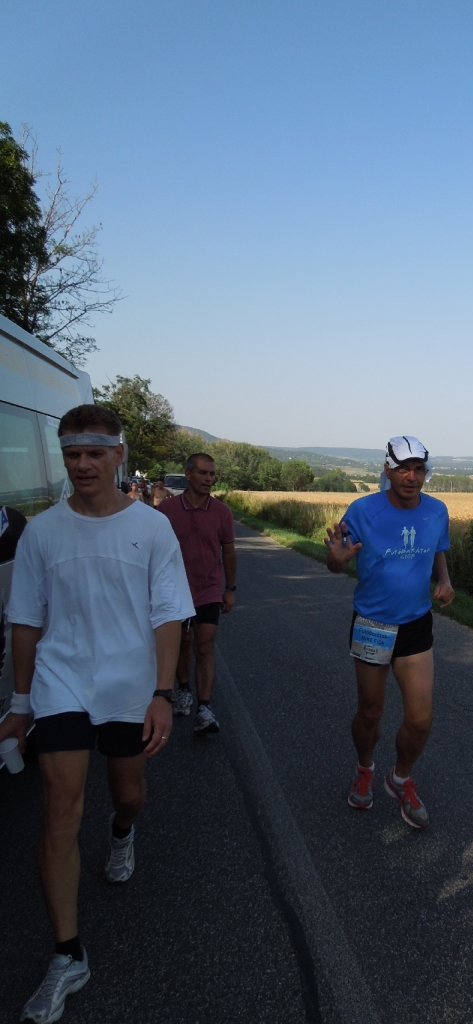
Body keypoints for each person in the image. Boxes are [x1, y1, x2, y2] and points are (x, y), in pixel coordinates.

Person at [0, 404, 194, 1024]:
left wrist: (161, 693)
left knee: (127, 793)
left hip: (129, 687)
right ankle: (68, 954)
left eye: (93, 453)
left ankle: (122, 830)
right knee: (60, 807)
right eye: (71, 454)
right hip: (62, 681)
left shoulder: (152, 528)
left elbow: (169, 614)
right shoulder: (42, 533)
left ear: (118, 455)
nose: (82, 464)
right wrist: (20, 704)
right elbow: (25, 621)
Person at [325, 436, 454, 829]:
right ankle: (365, 769)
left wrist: (445, 580)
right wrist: (338, 561)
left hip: (416, 624)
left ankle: (399, 778)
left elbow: (437, 549)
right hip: (373, 624)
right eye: (402, 469)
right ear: (387, 469)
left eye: (418, 469)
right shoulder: (363, 510)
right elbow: (337, 560)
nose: (411, 477)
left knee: (421, 718)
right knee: (371, 712)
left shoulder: (437, 511)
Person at [159, 453, 236, 734]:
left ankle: (204, 708)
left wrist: (230, 588)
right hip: (174, 590)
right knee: (182, 642)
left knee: (204, 645)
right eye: (203, 473)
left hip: (208, 589)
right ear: (188, 475)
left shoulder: (222, 512)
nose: (208, 479)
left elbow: (228, 552)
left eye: (212, 474)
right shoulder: (166, 510)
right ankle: (183, 690)